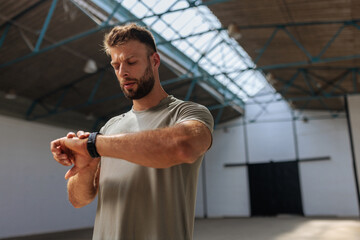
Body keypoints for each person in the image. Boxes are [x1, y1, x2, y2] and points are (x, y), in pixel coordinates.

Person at [50, 23, 214, 240]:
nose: (123, 72)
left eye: (131, 62)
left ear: (154, 60)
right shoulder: (109, 129)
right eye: (116, 65)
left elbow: (182, 147)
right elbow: (78, 200)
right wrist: (87, 165)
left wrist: (92, 144)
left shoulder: (186, 113)